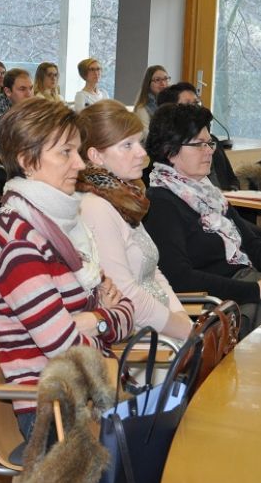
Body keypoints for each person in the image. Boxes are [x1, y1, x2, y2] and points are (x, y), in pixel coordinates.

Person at [0, 98, 133, 440]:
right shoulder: (19, 240)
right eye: (65, 152)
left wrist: (94, 321)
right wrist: (101, 320)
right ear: (27, 161)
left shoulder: (66, 226)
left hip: (85, 394)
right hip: (53, 409)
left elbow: (127, 313)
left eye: (78, 151)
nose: (79, 164)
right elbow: (67, 349)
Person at [143, 103, 261, 338]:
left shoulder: (209, 194)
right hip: (218, 307)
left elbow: (253, 247)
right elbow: (179, 278)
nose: (210, 151)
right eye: (199, 144)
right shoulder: (161, 203)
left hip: (245, 291)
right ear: (170, 151)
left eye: (209, 143)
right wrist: (254, 290)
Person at [77, 100, 192, 340]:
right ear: (96, 155)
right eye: (127, 145)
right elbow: (125, 293)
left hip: (160, 329)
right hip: (139, 339)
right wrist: (187, 332)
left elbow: (152, 273)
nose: (141, 152)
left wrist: (181, 316)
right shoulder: (96, 207)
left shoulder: (122, 197)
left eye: (139, 142)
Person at [156, 82, 239, 192]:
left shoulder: (213, 141)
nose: (209, 150)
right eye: (188, 105)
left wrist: (232, 193)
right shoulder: (166, 148)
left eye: (196, 103)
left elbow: (232, 179)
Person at [133, 65, 170, 132]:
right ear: (148, 83)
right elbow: (147, 136)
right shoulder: (142, 109)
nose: (163, 83)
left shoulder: (173, 103)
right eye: (157, 80)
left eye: (165, 79)